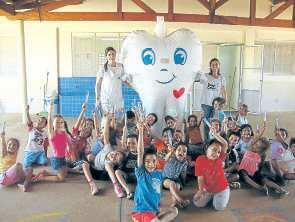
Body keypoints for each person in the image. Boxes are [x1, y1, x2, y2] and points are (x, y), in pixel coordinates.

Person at [131, 121, 178, 222]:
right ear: (143, 163)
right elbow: (140, 152)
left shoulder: (159, 173)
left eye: (153, 161)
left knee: (174, 211)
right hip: (141, 212)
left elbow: (165, 159)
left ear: (156, 162)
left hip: (154, 210)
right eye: (147, 161)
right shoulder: (141, 173)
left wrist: (171, 151)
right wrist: (140, 131)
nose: (151, 164)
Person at [193, 129, 230, 211]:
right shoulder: (200, 159)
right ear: (206, 148)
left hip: (222, 188)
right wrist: (201, 190)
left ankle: (221, 196)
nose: (216, 154)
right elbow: (200, 177)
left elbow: (225, 144)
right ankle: (212, 197)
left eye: (218, 152)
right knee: (197, 203)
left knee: (219, 207)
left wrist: (216, 134)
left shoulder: (220, 159)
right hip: (208, 189)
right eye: (214, 150)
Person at [198, 58, 227, 141]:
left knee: (216, 123)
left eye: (216, 64)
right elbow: (197, 76)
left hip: (216, 105)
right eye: (212, 64)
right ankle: (207, 143)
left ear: (219, 66)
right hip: (206, 104)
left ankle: (216, 141)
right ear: (210, 66)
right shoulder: (206, 76)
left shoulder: (222, 78)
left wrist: (225, 101)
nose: (214, 66)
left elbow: (223, 90)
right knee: (207, 124)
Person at [95, 47, 130, 113]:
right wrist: (97, 98)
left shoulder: (120, 66)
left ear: (115, 55)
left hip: (118, 97)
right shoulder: (102, 68)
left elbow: (124, 80)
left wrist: (132, 86)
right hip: (106, 98)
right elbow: (98, 84)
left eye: (113, 54)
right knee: (107, 119)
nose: (111, 56)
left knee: (117, 119)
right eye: (109, 54)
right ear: (106, 56)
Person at [162, 142, 190, 208]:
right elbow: (165, 159)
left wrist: (184, 182)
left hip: (176, 179)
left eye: (184, 151)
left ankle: (175, 202)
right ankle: (181, 200)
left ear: (186, 154)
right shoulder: (172, 157)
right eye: (179, 150)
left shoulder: (185, 163)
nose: (181, 152)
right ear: (175, 152)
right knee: (172, 184)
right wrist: (170, 152)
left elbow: (183, 173)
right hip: (165, 178)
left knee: (177, 186)